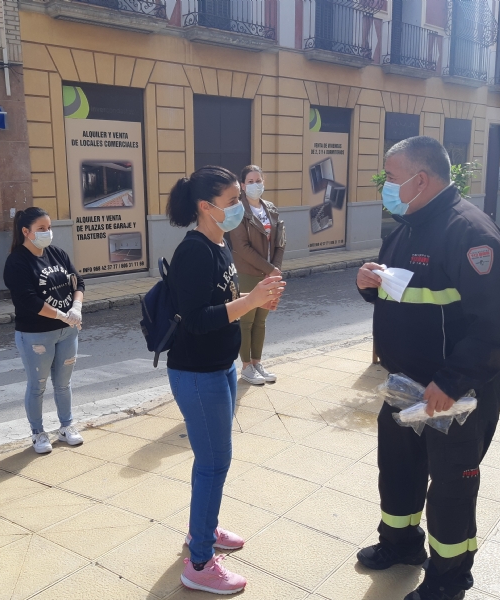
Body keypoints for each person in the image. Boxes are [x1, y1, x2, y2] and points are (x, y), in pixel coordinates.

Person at [355, 136, 500, 600]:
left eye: (390, 177)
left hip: (453, 393)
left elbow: (497, 328)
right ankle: (400, 543)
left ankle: (449, 577)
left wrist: (450, 382)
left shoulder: (470, 234)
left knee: (451, 487)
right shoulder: (406, 227)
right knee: (399, 469)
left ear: (420, 179)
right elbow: (400, 290)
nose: (386, 186)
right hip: (405, 386)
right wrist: (368, 283)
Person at [166, 165, 285, 594]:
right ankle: (199, 563)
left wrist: (258, 302)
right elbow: (196, 321)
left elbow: (225, 304)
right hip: (197, 373)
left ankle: (205, 529)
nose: (240, 206)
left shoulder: (219, 244)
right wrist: (251, 299)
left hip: (220, 366)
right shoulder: (194, 251)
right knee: (214, 463)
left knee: (214, 462)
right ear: (206, 207)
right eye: (233, 201)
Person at [4, 207, 86, 455]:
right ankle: (38, 432)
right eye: (41, 229)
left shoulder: (57, 254)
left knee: (63, 383)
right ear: (26, 232)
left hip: (67, 332)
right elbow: (28, 300)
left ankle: (66, 426)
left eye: (49, 228)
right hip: (36, 335)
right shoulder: (17, 261)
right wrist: (62, 315)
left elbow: (77, 282)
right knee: (37, 385)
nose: (47, 233)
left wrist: (77, 307)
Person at [228, 165, 286, 385]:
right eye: (250, 182)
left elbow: (280, 241)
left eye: (258, 180)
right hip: (248, 272)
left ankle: (257, 362)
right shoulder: (239, 211)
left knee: (261, 320)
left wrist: (276, 268)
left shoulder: (270, 208)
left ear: (264, 182)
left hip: (269, 271)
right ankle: (245, 367)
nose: (255, 185)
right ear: (242, 185)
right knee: (247, 320)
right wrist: (270, 269)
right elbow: (241, 247)